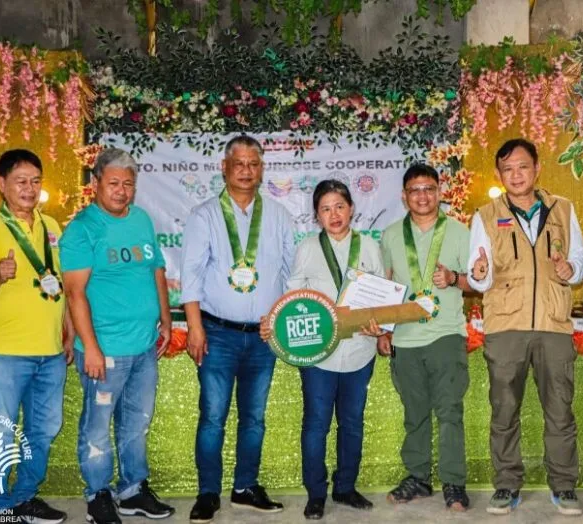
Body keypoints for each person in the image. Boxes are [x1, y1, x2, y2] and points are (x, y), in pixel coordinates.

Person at [466, 138, 583, 516]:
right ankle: (506, 484)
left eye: (523, 167)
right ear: (499, 174)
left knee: (560, 410)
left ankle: (564, 486)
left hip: (554, 325)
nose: (516, 175)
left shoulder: (563, 209)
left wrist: (572, 269)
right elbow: (478, 272)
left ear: (537, 168)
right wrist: (479, 273)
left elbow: (581, 262)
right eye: (508, 169)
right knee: (504, 411)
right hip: (506, 326)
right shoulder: (485, 215)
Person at [180, 135, 295, 523]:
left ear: (262, 170)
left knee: (254, 418)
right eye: (239, 164)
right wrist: (194, 328)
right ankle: (208, 493)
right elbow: (190, 276)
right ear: (225, 168)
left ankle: (245, 486)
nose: (246, 171)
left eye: (253, 164)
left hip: (263, 337)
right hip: (217, 334)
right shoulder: (204, 216)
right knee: (213, 416)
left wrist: (279, 316)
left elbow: (290, 275)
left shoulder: (279, 216)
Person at [60, 147, 175, 524]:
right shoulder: (82, 229)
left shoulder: (141, 220)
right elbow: (75, 293)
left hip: (144, 346)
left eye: (128, 184)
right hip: (104, 350)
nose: (121, 191)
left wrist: (165, 320)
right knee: (97, 426)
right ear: (95, 183)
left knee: (137, 422)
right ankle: (98, 495)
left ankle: (132, 490)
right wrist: (91, 348)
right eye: (113, 183)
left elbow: (156, 270)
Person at [258, 180, 385, 520]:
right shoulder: (308, 248)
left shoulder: (369, 246)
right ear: (316, 215)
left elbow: (382, 294)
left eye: (340, 206)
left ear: (351, 209)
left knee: (352, 423)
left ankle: (345, 487)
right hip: (318, 354)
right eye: (326, 209)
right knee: (316, 424)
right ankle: (316, 493)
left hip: (360, 350)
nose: (334, 214)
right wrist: (272, 321)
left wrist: (381, 325)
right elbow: (292, 297)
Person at [0, 149, 71, 524]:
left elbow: (61, 285)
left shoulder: (52, 226)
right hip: (6, 353)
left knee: (43, 430)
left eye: (35, 181)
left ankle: (25, 497)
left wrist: (69, 333)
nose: (29, 188)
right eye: (20, 181)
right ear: (2, 185)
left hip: (51, 351)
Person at [379, 163, 473, 512]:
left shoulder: (459, 232)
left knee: (449, 411)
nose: (422, 196)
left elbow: (478, 282)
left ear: (439, 192)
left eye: (429, 189)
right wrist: (385, 329)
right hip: (405, 339)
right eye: (415, 190)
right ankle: (418, 478)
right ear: (404, 196)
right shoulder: (390, 235)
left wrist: (453, 278)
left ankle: (454, 482)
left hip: (446, 333)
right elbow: (386, 287)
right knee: (415, 413)